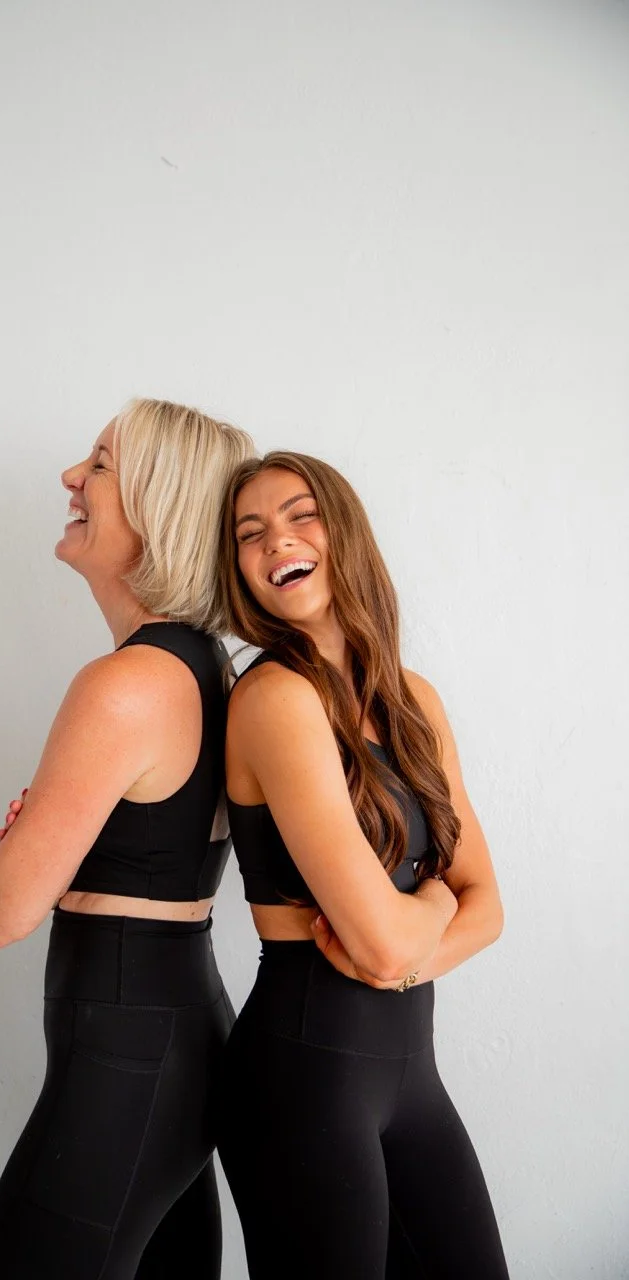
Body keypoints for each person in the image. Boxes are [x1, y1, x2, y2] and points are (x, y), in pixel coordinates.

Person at [0, 399, 254, 1280]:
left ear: (158, 507)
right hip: (175, 1038)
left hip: (127, 1061)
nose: (71, 479)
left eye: (98, 465)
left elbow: (3, 911)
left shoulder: (125, 684)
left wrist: (19, 857)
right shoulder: (208, 667)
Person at [213, 451, 509, 1278]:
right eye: (250, 532)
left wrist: (408, 950)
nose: (277, 541)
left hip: (413, 1080)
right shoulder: (274, 699)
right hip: (303, 1084)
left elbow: (486, 905)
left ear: (343, 534)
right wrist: (428, 917)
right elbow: (402, 931)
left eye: (300, 516)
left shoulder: (413, 701)